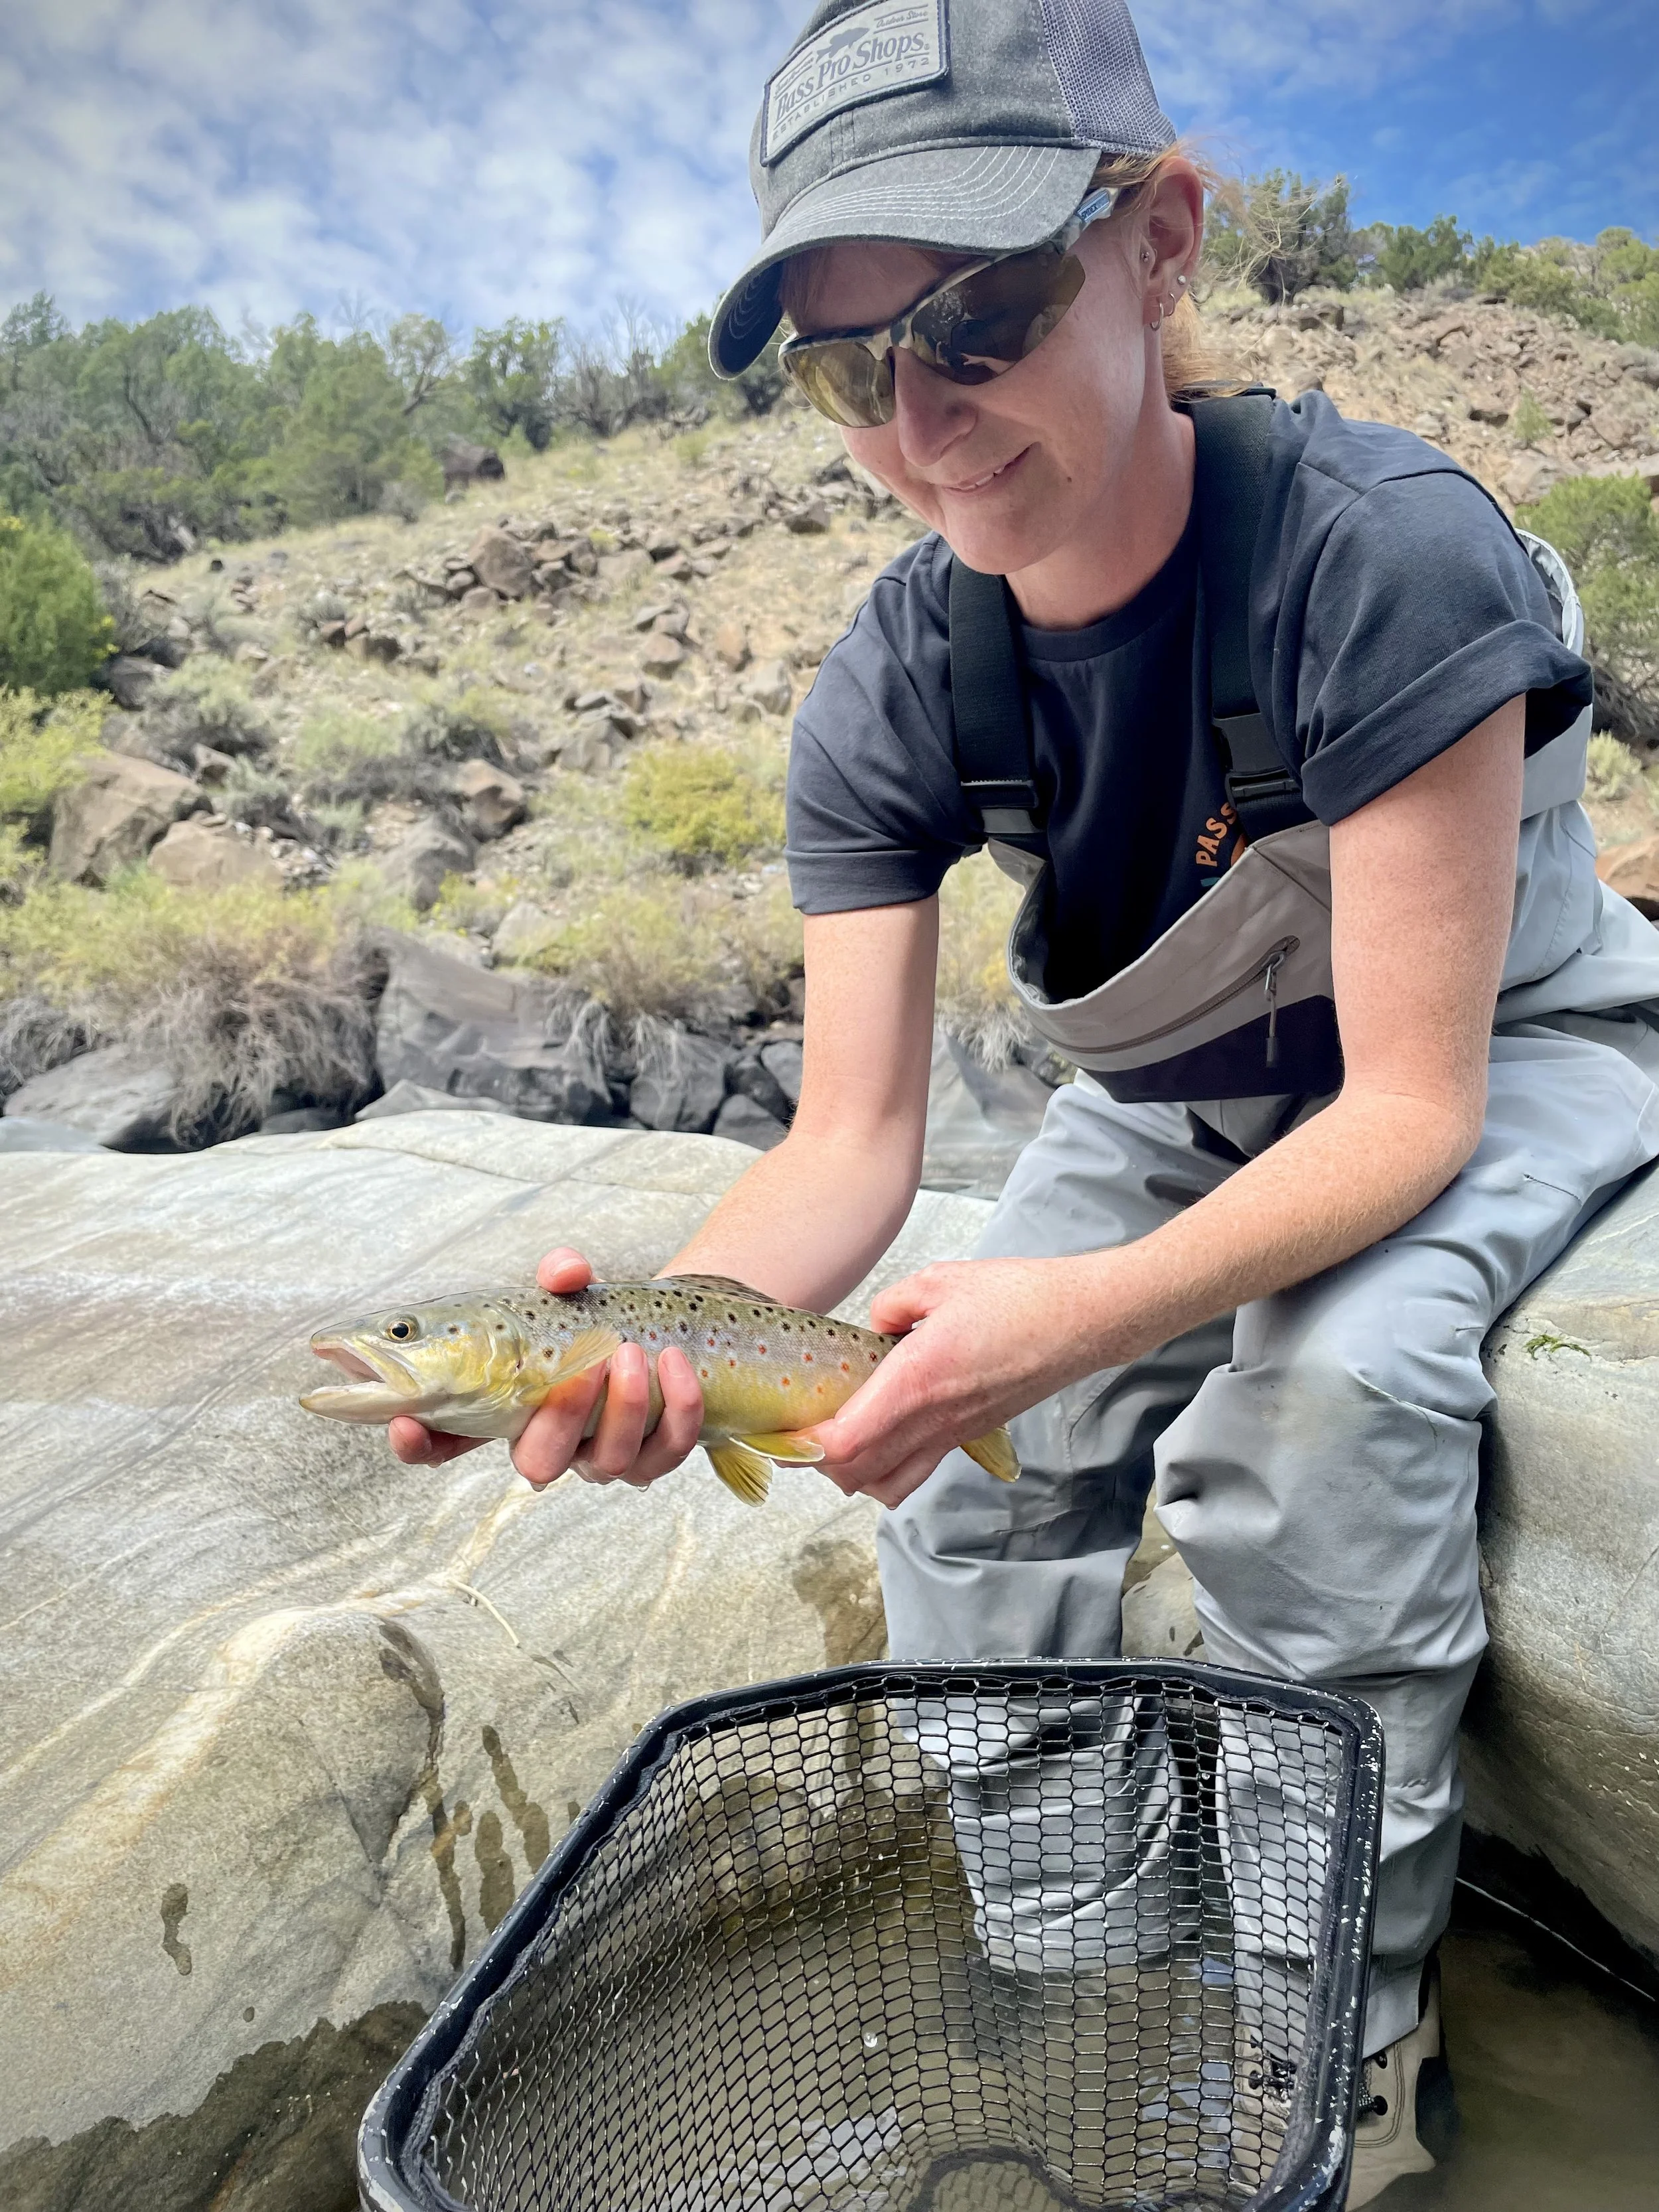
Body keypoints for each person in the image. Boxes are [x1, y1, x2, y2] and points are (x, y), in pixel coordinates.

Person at [389, 1, 1659, 2197]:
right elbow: (852, 1150)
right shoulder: (890, 678)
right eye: (845, 366)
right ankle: (1072, 1977)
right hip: (1170, 1100)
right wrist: (664, 1346)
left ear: (1159, 240)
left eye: (974, 316)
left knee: (1316, 1427)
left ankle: (1318, 2052)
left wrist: (1064, 1319)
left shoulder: (1389, 558)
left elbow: (1404, 1112)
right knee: (964, 1494)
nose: (921, 420)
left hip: (1480, 1055)